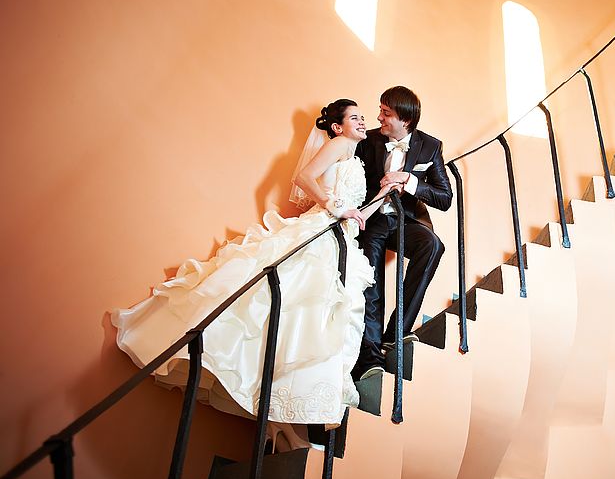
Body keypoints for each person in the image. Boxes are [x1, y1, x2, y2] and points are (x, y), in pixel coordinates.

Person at [112, 99, 398, 436]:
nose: (363, 122)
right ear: (337, 127)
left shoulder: (355, 159)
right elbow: (304, 176)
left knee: (322, 314)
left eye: (363, 117)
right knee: (300, 303)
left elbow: (358, 217)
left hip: (343, 238)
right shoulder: (338, 145)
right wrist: (335, 207)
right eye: (355, 118)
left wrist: (384, 192)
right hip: (322, 230)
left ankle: (290, 406)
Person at [352, 86, 453, 381]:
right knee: (371, 281)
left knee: (433, 246)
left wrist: (409, 180)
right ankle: (369, 354)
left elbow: (444, 198)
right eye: (380, 110)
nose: (379, 117)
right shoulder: (368, 140)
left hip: (406, 220)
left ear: (405, 120)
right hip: (371, 221)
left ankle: (396, 334)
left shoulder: (430, 147)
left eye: (386, 113)